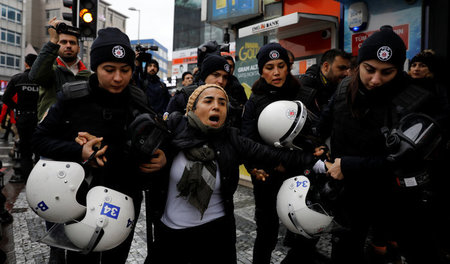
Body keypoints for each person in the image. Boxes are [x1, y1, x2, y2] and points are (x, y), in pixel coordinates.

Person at [32, 27, 167, 264]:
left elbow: (156, 139)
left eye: (125, 70)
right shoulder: (72, 97)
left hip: (124, 199)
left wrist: (161, 157)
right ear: (96, 67)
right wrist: (79, 151)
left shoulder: (138, 99)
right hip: (80, 200)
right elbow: (39, 140)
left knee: (116, 259)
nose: (118, 78)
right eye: (109, 70)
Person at [148, 84, 319, 264]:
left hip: (217, 235)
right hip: (171, 235)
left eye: (222, 103)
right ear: (192, 108)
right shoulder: (172, 131)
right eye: (208, 101)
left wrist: (315, 161)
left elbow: (271, 154)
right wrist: (156, 160)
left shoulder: (231, 138)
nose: (216, 106)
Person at [318, 26, 447, 264]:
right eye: (369, 70)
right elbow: (322, 126)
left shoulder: (416, 98)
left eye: (387, 72)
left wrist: (348, 164)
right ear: (358, 66)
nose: (375, 80)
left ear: (399, 69)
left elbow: (405, 161)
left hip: (397, 198)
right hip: (351, 196)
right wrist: (318, 148)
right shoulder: (344, 88)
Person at [241, 42, 324, 264]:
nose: (276, 72)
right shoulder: (254, 101)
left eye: (281, 65)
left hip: (300, 174)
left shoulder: (305, 95)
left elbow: (317, 133)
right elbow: (248, 142)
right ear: (261, 70)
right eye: (269, 67)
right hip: (267, 176)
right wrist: (255, 168)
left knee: (303, 230)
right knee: (266, 234)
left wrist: (317, 148)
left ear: (288, 67)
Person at [29, 17, 91, 121]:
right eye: (63, 42)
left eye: (72, 43)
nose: (68, 46)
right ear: (57, 45)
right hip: (51, 130)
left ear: (78, 48)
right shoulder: (50, 70)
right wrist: (52, 40)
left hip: (79, 131)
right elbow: (35, 76)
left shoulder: (88, 75)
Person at [3, 54, 40, 183]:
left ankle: (27, 178)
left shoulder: (18, 78)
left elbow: (5, 98)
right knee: (40, 149)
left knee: (25, 150)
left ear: (26, 64)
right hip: (39, 118)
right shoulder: (42, 79)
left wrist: (17, 107)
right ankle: (41, 177)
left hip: (23, 117)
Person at [165, 54, 230, 115]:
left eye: (225, 77)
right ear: (205, 76)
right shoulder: (185, 95)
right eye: (216, 75)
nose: (221, 81)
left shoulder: (229, 99)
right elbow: (168, 122)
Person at [298, 49, 351, 115]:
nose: (347, 73)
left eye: (348, 69)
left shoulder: (340, 84)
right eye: (342, 68)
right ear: (326, 66)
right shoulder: (306, 87)